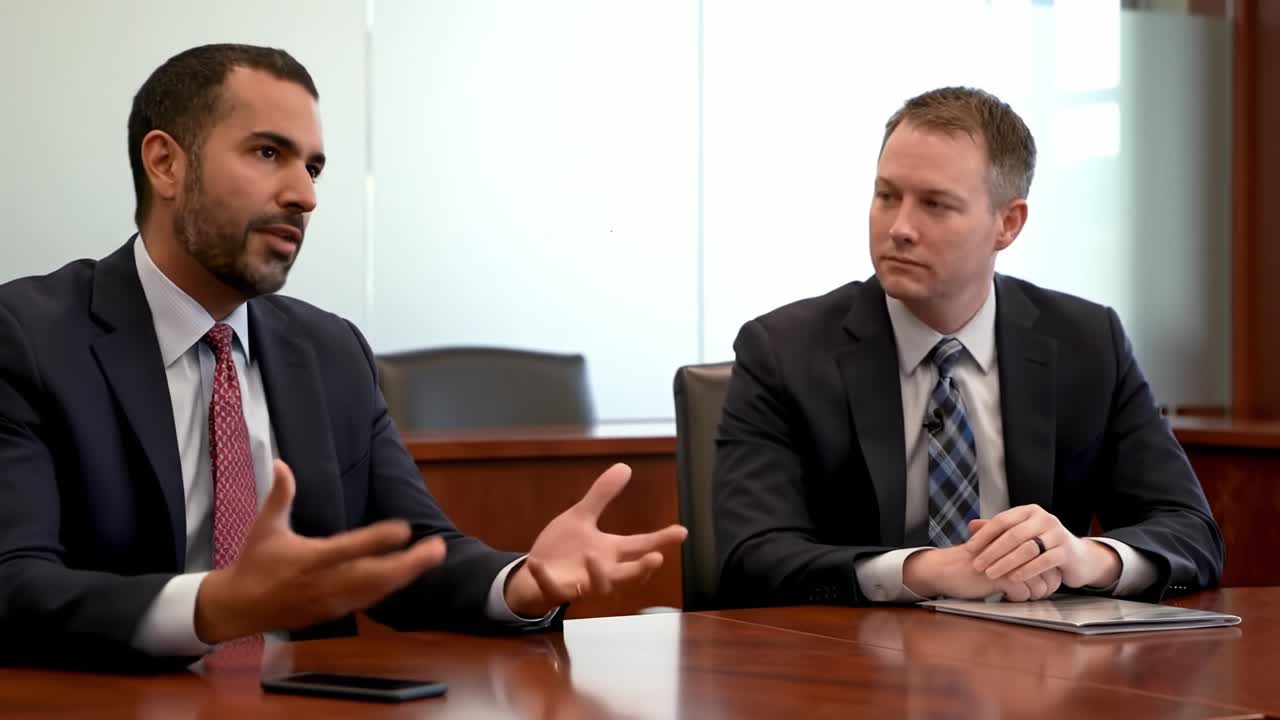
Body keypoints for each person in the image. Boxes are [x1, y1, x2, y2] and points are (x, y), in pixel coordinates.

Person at [0, 43, 686, 671]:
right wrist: (214, 606)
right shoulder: (29, 338)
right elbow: (15, 583)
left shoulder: (328, 351)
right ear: (165, 162)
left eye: (313, 165)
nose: (305, 195)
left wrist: (522, 582)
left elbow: (411, 552)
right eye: (269, 153)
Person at [713, 86, 1222, 609]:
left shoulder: (1088, 343)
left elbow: (1190, 531)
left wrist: (1083, 557)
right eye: (887, 195)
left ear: (1008, 223)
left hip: (1040, 671)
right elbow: (751, 557)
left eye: (935, 204)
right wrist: (929, 571)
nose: (900, 227)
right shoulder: (784, 352)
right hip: (850, 665)